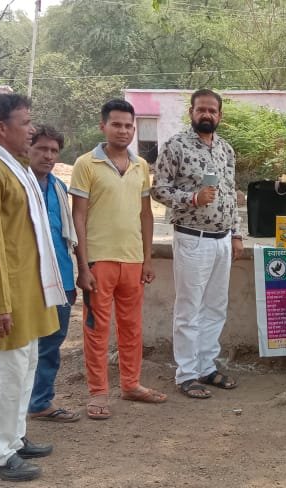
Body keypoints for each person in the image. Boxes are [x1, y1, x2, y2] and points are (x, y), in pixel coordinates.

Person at [0, 93, 64, 482]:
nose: (31, 129)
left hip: (30, 286)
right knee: (4, 373)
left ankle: (13, 438)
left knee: (24, 367)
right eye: (25, 123)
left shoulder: (16, 165)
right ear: (1, 127)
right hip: (8, 292)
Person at [70, 99, 165, 420]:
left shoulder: (141, 166)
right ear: (103, 126)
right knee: (96, 330)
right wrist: (83, 265)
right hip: (99, 262)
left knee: (132, 328)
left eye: (128, 126)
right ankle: (98, 392)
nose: (123, 131)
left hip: (133, 261)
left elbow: (146, 215)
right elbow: (78, 217)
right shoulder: (86, 164)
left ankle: (131, 384)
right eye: (116, 125)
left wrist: (147, 259)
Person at [152, 89, 244, 400]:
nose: (207, 114)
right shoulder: (175, 146)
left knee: (215, 308)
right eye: (201, 109)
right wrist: (192, 198)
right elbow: (159, 189)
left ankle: (206, 367)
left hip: (222, 240)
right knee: (189, 309)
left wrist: (236, 233)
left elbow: (230, 192)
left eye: (212, 110)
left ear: (220, 115)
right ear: (191, 112)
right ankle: (187, 374)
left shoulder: (226, 149)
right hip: (193, 238)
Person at [25, 125, 80, 423]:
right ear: (28, 149)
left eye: (54, 151)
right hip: (29, 279)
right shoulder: (18, 184)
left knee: (52, 343)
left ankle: (40, 401)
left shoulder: (58, 187)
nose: (48, 156)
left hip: (61, 276)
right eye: (42, 149)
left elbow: (68, 235)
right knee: (25, 346)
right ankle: (20, 403)